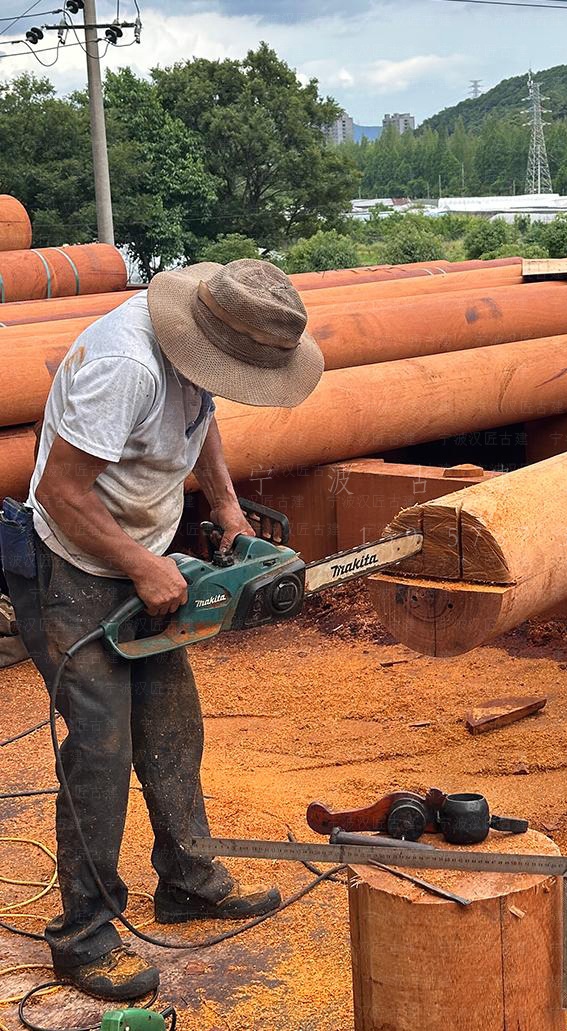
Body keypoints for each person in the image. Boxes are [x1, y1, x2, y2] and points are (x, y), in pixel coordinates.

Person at [2, 259, 324, 1000]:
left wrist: (228, 510)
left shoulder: (191, 357)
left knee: (173, 724)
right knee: (101, 747)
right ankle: (84, 934)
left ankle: (186, 878)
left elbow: (197, 423)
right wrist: (142, 565)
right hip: (72, 563)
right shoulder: (126, 366)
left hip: (139, 553)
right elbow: (59, 490)